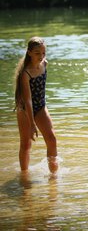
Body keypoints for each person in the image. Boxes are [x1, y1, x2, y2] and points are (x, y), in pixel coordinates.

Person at [13, 37, 58, 173]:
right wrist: (32, 123)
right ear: (29, 53)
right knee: (26, 145)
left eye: (43, 53)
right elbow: (28, 101)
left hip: (41, 106)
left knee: (52, 139)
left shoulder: (45, 64)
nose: (41, 56)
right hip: (25, 109)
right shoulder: (25, 73)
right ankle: (24, 176)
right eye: (37, 53)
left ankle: (54, 176)